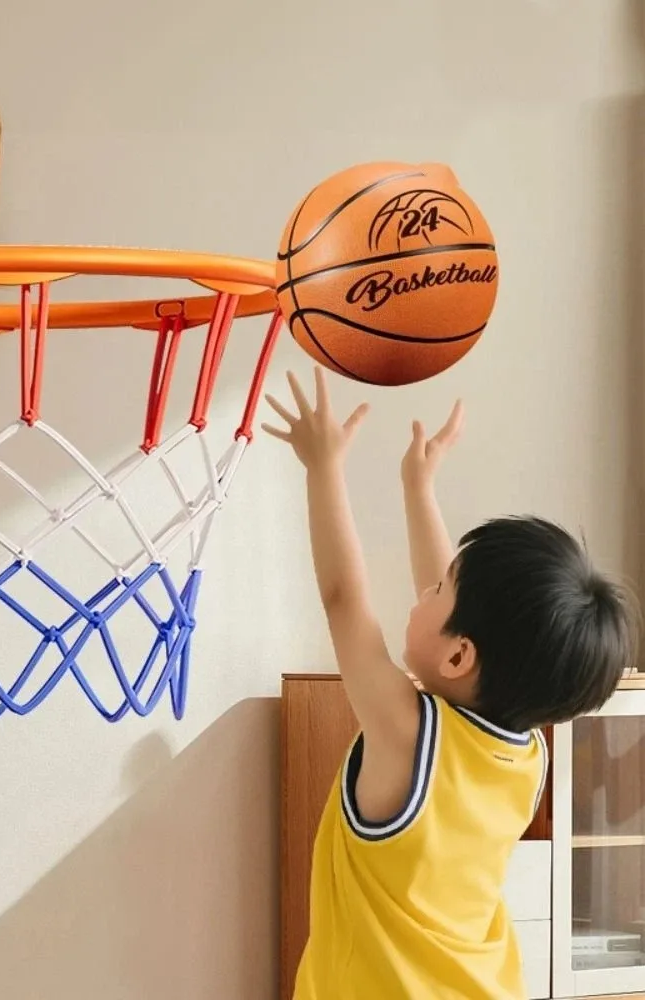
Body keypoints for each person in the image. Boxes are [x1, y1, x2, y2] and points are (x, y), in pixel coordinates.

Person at [263, 365, 639, 1000]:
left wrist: (322, 467)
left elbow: (342, 599)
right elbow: (449, 629)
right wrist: (418, 488)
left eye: (438, 591)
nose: (424, 591)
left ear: (462, 656)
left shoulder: (407, 734)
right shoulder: (526, 754)